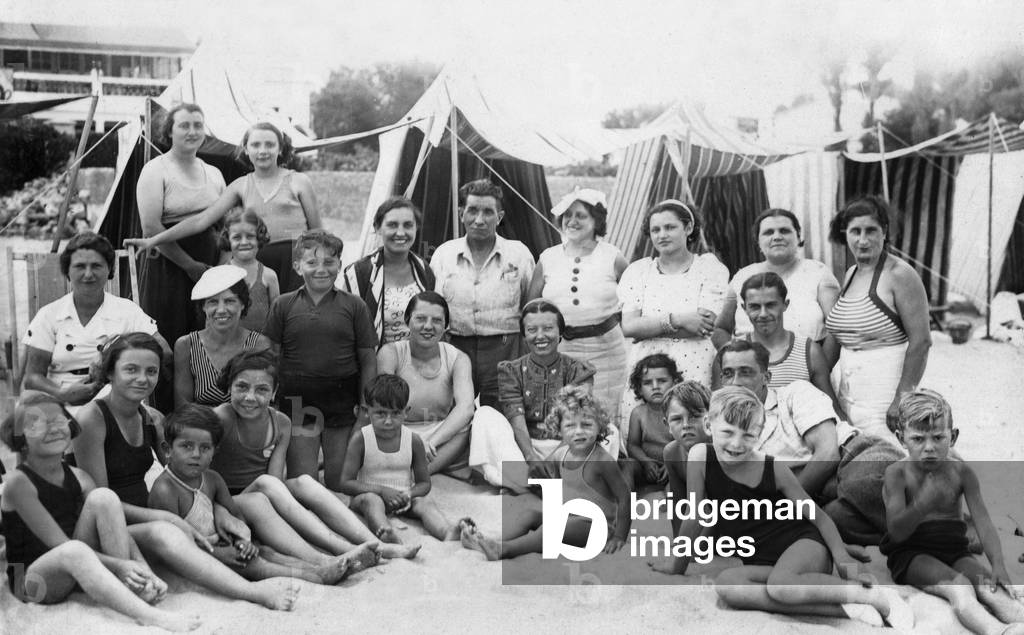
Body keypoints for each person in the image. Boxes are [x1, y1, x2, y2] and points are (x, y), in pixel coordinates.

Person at [650, 386, 914, 631]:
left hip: (804, 545)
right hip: (763, 559)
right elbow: (696, 516)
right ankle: (847, 609)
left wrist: (840, 555)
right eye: (727, 433)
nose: (736, 444)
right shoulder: (699, 456)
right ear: (709, 425)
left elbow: (818, 517)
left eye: (748, 435)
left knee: (781, 585)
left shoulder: (773, 468)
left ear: (760, 432)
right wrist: (676, 564)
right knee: (728, 585)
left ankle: (873, 595)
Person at [0, 391, 199, 631]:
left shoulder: (79, 477)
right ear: (20, 437)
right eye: (36, 424)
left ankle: (134, 587)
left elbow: (117, 526)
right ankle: (148, 616)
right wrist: (118, 565)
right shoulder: (17, 484)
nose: (52, 429)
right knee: (72, 550)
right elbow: (60, 545)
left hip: (77, 567)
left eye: (58, 420)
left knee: (104, 497)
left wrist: (143, 569)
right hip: (35, 582)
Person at [211, 350, 416, 561]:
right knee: (266, 483)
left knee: (304, 481)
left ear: (274, 392)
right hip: (231, 503)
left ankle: (376, 543)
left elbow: (276, 479)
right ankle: (341, 549)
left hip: (265, 494)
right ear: (229, 387)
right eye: (242, 387)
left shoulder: (281, 422)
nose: (250, 397)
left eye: (262, 389)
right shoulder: (221, 418)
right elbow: (205, 479)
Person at [717, 339, 906, 545]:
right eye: (728, 374)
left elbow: (828, 454)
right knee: (836, 519)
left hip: (856, 457)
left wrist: (782, 510)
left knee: (862, 485)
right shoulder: (725, 431)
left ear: (766, 377)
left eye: (745, 372)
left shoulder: (795, 393)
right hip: (820, 495)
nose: (735, 382)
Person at [149, 404, 363, 585]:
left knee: (266, 552)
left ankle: (319, 564)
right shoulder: (165, 490)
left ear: (214, 451)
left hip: (221, 547)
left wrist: (242, 541)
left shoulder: (212, 479)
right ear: (167, 450)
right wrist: (220, 553)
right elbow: (176, 544)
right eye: (186, 446)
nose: (196, 454)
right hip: (196, 557)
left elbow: (236, 517)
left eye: (205, 448)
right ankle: (314, 577)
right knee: (256, 565)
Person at [881, 389, 1024, 634]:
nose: (929, 448)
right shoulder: (897, 474)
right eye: (918, 439)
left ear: (953, 436)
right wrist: (921, 505)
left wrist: (998, 563)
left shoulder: (961, 473)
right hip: (912, 554)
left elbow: (983, 522)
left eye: (938, 438)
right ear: (901, 438)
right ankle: (998, 631)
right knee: (959, 587)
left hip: (955, 549)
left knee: (988, 584)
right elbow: (896, 532)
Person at [128, 121, 320, 293]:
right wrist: (154, 240)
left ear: (280, 149)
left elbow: (318, 231)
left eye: (270, 144)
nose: (263, 150)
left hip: (297, 262)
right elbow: (201, 220)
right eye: (255, 145)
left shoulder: (299, 181)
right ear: (246, 149)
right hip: (260, 263)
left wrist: (320, 265)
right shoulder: (240, 185)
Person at [263, 229, 377, 485]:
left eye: (329, 262)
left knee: (339, 482)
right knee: (305, 483)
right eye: (312, 262)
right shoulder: (283, 304)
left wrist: (365, 409)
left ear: (340, 264)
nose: (321, 269)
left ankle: (330, 461)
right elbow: (269, 356)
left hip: (341, 403)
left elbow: (369, 360)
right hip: (298, 403)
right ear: (297, 265)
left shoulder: (355, 306)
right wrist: (269, 401)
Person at [461, 388, 629, 560]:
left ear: (599, 426)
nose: (578, 432)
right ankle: (493, 541)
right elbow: (548, 483)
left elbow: (625, 497)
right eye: (570, 425)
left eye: (586, 425)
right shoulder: (560, 454)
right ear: (559, 429)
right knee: (530, 515)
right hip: (567, 517)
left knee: (553, 529)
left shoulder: (602, 461)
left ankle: (506, 549)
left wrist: (619, 536)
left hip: (596, 527)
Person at [824, 196, 931, 443]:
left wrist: (902, 396)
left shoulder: (900, 274)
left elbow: (921, 342)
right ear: (844, 234)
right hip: (848, 393)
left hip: (885, 394)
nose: (863, 240)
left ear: (884, 231)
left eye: (871, 230)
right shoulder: (851, 274)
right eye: (855, 231)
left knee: (890, 457)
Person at [22, 233, 167, 410]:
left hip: (117, 398)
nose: (88, 274)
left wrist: (110, 357)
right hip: (61, 402)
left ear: (110, 269)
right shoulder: (50, 315)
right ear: (67, 270)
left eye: (97, 266)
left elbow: (164, 352)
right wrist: (62, 393)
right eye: (80, 266)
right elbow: (32, 377)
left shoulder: (127, 310)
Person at [618, 199, 728, 431]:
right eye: (655, 229)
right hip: (646, 366)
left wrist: (649, 327)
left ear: (688, 228)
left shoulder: (708, 268)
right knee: (645, 431)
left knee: (690, 427)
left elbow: (704, 326)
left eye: (670, 227)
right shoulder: (639, 271)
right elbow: (629, 327)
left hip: (695, 360)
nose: (662, 235)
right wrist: (678, 319)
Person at [467, 299, 599, 491]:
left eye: (548, 328)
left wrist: (557, 458)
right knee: (484, 414)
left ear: (560, 333)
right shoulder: (511, 371)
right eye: (531, 330)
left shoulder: (578, 370)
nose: (540, 336)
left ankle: (530, 486)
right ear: (523, 335)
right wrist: (530, 456)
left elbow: (577, 421)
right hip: (524, 448)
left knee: (608, 430)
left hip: (567, 446)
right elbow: (515, 416)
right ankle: (541, 483)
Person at [429, 179, 535, 408]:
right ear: (461, 213)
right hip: (455, 347)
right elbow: (434, 305)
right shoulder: (443, 255)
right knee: (455, 413)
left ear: (500, 216)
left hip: (505, 348)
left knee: (503, 417)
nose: (479, 219)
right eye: (472, 211)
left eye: (488, 212)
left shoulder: (518, 254)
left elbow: (530, 305)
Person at [134, 103, 226, 361]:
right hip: (168, 266)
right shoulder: (155, 169)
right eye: (184, 125)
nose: (192, 131)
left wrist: (215, 269)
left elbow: (225, 226)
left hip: (208, 268)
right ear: (169, 131)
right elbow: (151, 227)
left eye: (198, 125)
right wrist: (189, 266)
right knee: (168, 337)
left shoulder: (215, 173)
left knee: (207, 337)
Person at [528, 188, 628, 417]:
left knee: (605, 415)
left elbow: (635, 301)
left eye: (580, 215)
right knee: (567, 415)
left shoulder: (613, 257)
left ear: (596, 220)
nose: (572, 221)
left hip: (607, 352)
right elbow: (531, 308)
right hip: (561, 351)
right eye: (567, 215)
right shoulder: (548, 257)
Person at [340, 374, 475, 543]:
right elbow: (345, 484)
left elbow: (424, 484)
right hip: (367, 497)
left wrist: (409, 493)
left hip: (402, 498)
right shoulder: (361, 439)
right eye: (381, 413)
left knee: (424, 502)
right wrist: (381, 491)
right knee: (372, 501)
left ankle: (446, 531)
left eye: (395, 413)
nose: (388, 421)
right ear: (367, 412)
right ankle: (386, 533)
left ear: (406, 413)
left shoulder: (413, 440)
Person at [713, 273, 843, 417]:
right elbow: (717, 412)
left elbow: (830, 408)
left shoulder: (808, 351)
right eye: (755, 307)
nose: (763, 314)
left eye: (770, 305)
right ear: (744, 308)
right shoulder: (731, 354)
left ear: (785, 305)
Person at [376, 292, 474, 474]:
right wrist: (411, 441)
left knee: (466, 426)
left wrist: (431, 442)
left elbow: (466, 407)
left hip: (438, 435)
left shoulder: (458, 358)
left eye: (437, 320)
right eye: (420, 318)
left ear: (446, 326)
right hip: (400, 431)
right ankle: (412, 470)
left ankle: (419, 474)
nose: (428, 326)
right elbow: (384, 404)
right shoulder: (391, 353)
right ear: (407, 320)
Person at [714, 208, 839, 345]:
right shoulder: (742, 276)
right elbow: (721, 328)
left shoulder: (818, 272)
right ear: (758, 242)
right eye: (768, 233)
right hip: (751, 363)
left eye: (784, 231)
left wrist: (823, 364)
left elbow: (837, 328)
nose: (777, 237)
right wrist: (732, 360)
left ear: (798, 237)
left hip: (807, 361)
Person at [175, 265, 271, 408]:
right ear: (203, 307)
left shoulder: (259, 344)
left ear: (243, 304)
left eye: (229, 301)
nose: (221, 310)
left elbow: (264, 401)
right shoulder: (186, 345)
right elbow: (183, 407)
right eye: (213, 302)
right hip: (200, 427)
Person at [342, 196, 435, 346]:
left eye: (408, 225)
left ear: (416, 227)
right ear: (378, 228)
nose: (400, 232)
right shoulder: (359, 273)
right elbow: (345, 327)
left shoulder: (424, 270)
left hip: (418, 360)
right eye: (392, 225)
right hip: (373, 362)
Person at [660, 380, 711, 537]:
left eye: (695, 416)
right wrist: (680, 541)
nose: (686, 425)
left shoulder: (720, 450)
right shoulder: (672, 452)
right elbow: (678, 502)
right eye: (677, 419)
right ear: (667, 424)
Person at [624, 354, 683, 489]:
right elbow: (633, 445)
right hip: (647, 466)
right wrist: (646, 462)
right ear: (639, 388)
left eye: (662, 381)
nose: (655, 387)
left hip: (675, 464)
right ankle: (626, 501)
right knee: (627, 465)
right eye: (647, 383)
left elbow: (685, 445)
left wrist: (672, 465)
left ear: (674, 383)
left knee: (676, 483)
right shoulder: (638, 413)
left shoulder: (681, 411)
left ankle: (671, 505)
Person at [220, 208, 279, 333]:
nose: (244, 242)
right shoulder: (220, 275)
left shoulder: (269, 276)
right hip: (228, 347)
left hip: (261, 347)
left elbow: (276, 319)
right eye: (236, 237)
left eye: (250, 236)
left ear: (259, 237)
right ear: (227, 240)